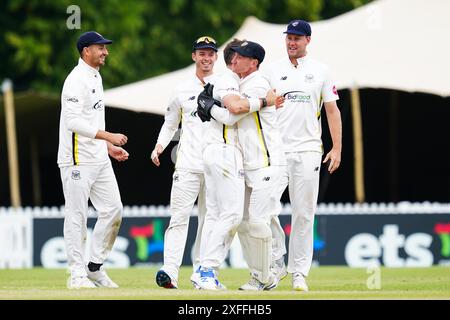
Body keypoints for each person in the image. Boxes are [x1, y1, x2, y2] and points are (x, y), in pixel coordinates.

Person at [200, 41, 287, 291]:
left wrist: (210, 108)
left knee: (257, 221)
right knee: (247, 222)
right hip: (250, 165)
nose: (235, 58)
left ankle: (268, 273)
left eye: (242, 56)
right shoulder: (242, 83)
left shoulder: (257, 83)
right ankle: (263, 275)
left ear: (254, 62)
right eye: (235, 54)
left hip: (267, 163)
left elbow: (234, 110)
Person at [265, 20, 342, 291]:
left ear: (308, 40)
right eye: (289, 37)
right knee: (265, 209)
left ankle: (299, 273)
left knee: (304, 214)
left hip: (309, 150)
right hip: (277, 151)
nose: (291, 42)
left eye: (297, 38)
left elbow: (332, 111)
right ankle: (274, 265)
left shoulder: (321, 71)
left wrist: (337, 148)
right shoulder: (272, 70)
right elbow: (260, 106)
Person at [57, 31, 129, 289]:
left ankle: (93, 267)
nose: (106, 52)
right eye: (101, 48)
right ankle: (76, 275)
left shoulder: (96, 77)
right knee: (76, 216)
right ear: (86, 50)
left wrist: (107, 145)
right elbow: (73, 122)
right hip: (76, 160)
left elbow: (93, 119)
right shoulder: (75, 80)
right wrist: (109, 135)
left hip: (98, 157)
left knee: (114, 209)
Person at [151, 36, 219, 289]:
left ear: (216, 57)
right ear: (194, 56)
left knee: (209, 221)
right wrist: (159, 147)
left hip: (216, 166)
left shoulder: (225, 86)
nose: (206, 58)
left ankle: (203, 272)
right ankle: (170, 271)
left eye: (210, 54)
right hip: (187, 164)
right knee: (178, 218)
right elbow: (170, 123)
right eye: (202, 53)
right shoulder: (181, 89)